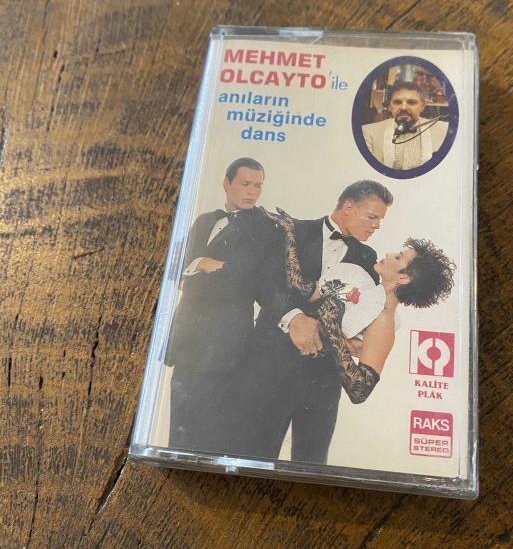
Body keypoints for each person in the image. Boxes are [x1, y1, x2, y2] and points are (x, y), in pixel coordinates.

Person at [233, 180, 393, 464]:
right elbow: (266, 281)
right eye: (372, 216)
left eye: (380, 219)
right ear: (348, 207)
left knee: (312, 464)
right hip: (270, 367)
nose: (377, 226)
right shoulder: (290, 230)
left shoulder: (368, 257)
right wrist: (293, 317)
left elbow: (357, 310)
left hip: (324, 380)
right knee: (252, 457)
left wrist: (355, 338)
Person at [272, 210, 455, 405]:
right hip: (281, 362)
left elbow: (359, 391)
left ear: (403, 278)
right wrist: (290, 233)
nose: (389, 254)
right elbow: (300, 286)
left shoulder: (384, 320)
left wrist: (332, 326)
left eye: (398, 257)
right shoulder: (362, 283)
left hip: (313, 387)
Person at [163, 157, 279, 452]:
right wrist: (202, 263)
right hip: (187, 338)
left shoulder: (265, 228)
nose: (252, 192)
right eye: (245, 184)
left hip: (226, 345)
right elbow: (174, 273)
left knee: (211, 437)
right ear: (227, 184)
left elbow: (237, 281)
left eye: (258, 185)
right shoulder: (204, 221)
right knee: (178, 434)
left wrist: (195, 268)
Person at [362, 80, 448, 170]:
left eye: (411, 102)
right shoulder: (369, 132)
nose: (403, 107)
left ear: (422, 106)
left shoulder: (443, 130)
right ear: (390, 107)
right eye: (397, 102)